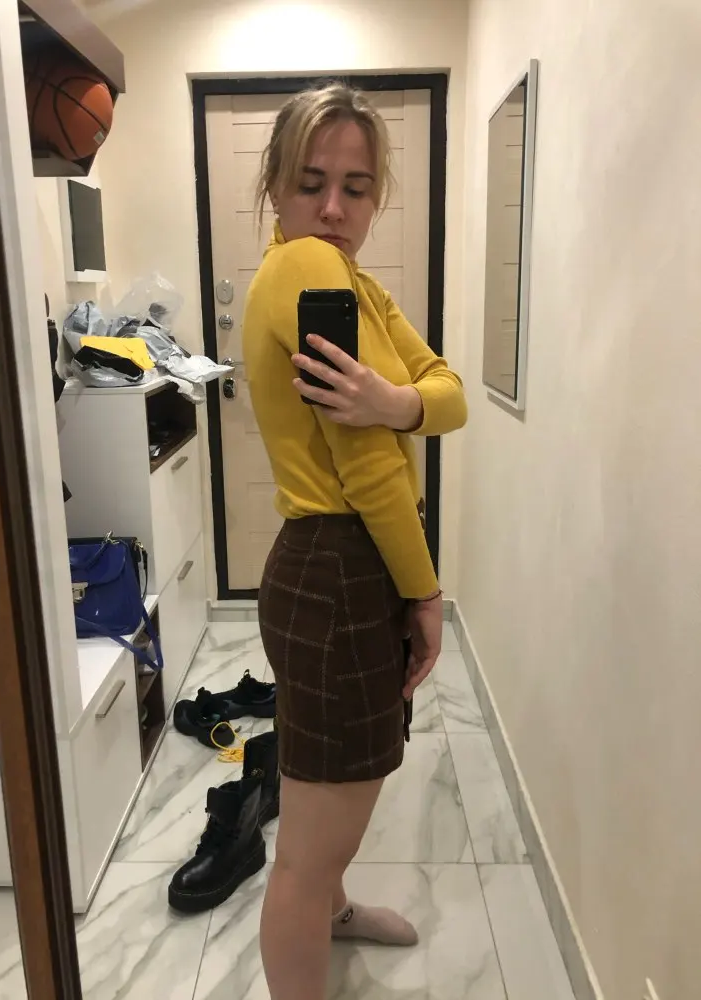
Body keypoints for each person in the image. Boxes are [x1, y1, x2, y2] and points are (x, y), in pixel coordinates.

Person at [242, 82, 467, 1000]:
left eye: (357, 187)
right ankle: (318, 915)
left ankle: (333, 914)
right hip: (340, 569)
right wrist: (426, 594)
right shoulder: (310, 269)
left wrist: (398, 401)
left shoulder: (354, 281)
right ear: (275, 186)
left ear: (377, 198)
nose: (333, 208)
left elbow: (448, 391)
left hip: (328, 571)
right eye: (311, 184)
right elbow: (371, 469)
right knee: (306, 851)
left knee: (322, 807)